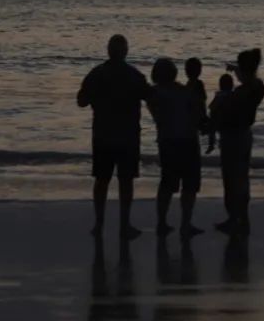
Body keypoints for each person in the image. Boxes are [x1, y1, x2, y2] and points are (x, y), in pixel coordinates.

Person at [76, 34, 148, 240]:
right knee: (125, 181)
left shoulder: (97, 73)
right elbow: (150, 96)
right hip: (127, 135)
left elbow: (81, 101)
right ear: (125, 51)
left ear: (108, 51)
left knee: (101, 180)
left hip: (103, 134)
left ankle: (99, 224)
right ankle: (124, 225)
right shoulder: (134, 75)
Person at [147, 57, 204, 239]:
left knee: (167, 184)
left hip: (167, 141)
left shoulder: (153, 94)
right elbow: (197, 111)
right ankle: (185, 224)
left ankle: (162, 222)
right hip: (187, 140)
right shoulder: (183, 91)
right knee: (189, 185)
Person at [219, 48, 264, 235]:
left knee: (231, 180)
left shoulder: (240, 93)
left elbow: (226, 113)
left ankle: (233, 218)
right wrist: (236, 68)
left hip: (233, 137)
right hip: (245, 136)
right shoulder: (257, 87)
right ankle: (242, 218)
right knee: (242, 178)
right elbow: (249, 78)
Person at [207, 72, 236, 223]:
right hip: (240, 140)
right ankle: (239, 216)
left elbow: (212, 123)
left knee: (228, 180)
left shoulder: (218, 100)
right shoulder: (237, 98)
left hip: (226, 141)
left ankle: (231, 216)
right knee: (239, 179)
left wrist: (211, 143)